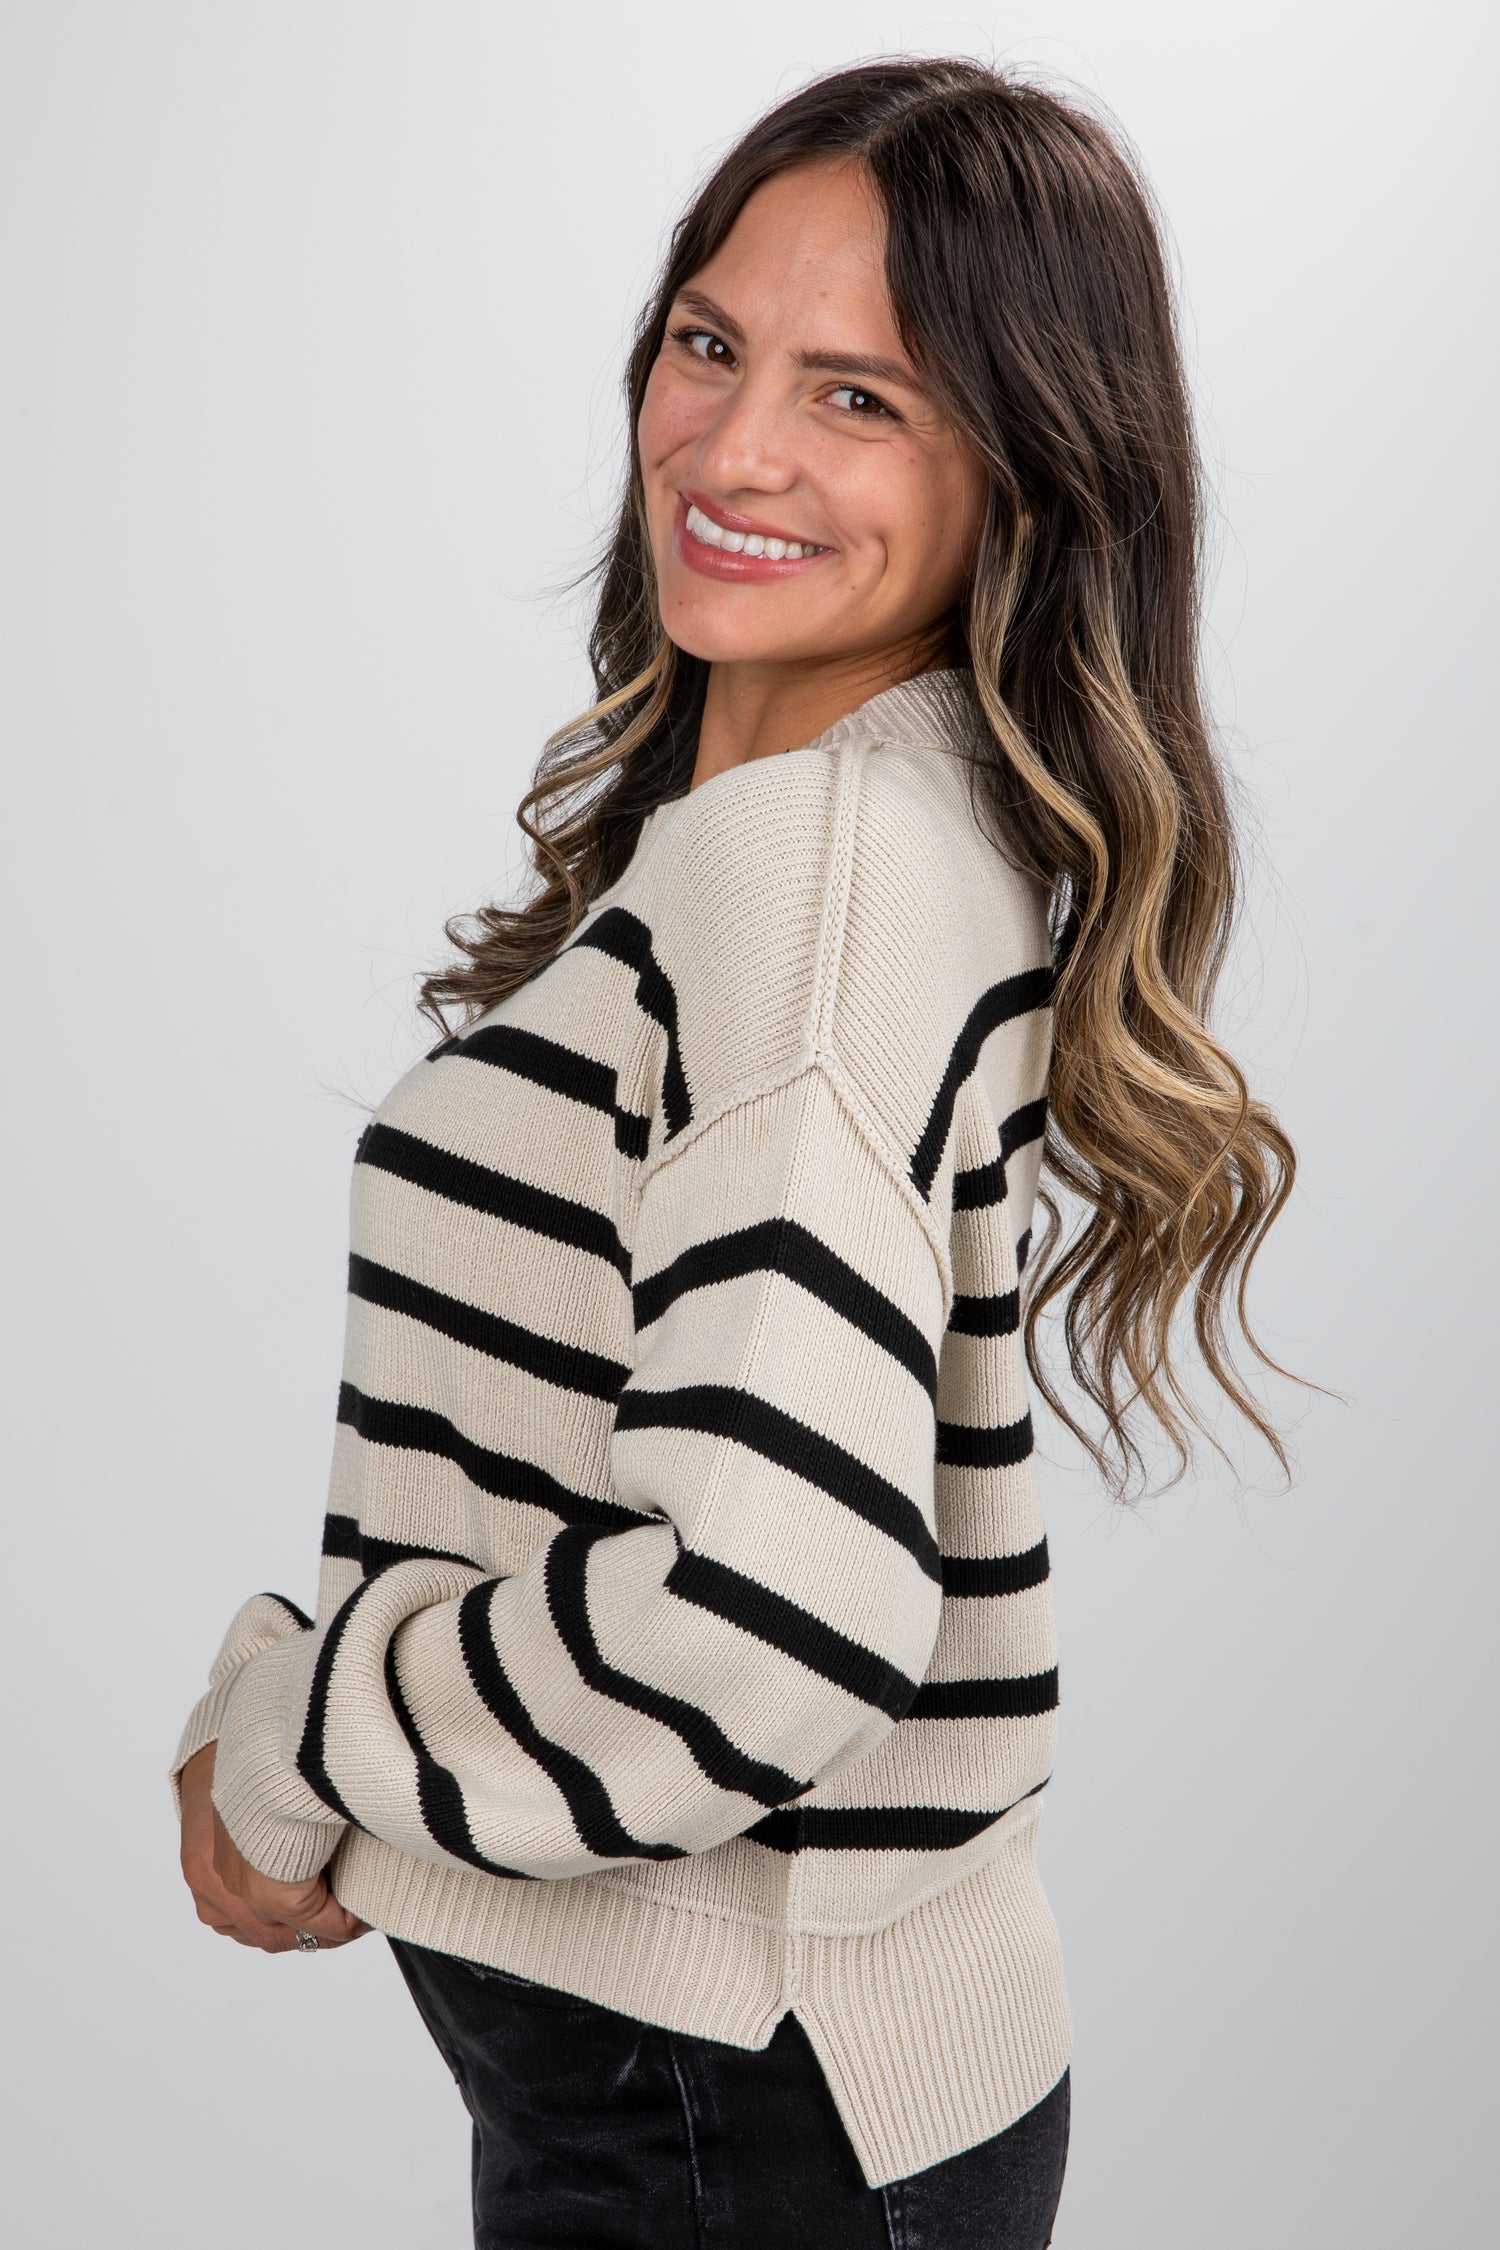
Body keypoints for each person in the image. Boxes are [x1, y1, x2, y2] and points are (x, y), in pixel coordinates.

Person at [172, 57, 1295, 2249]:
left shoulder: (813, 880)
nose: (737, 449)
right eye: (710, 345)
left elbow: (760, 1621)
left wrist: (298, 1733)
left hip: (728, 2125)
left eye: (860, 397)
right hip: (783, 2105)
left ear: (1034, 465)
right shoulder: (878, 813)